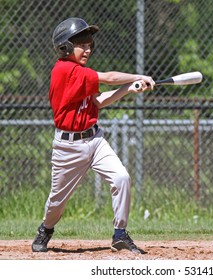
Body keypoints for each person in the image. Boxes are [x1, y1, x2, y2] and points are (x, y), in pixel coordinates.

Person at [31, 17, 155, 254]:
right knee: (57, 202)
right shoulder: (64, 70)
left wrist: (128, 89)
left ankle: (120, 234)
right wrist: (137, 76)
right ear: (65, 47)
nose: (87, 49)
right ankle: (46, 229)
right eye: (81, 44)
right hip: (68, 147)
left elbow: (97, 102)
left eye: (89, 45)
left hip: (95, 140)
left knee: (121, 178)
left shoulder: (81, 73)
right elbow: (108, 77)